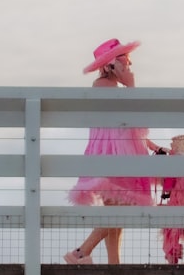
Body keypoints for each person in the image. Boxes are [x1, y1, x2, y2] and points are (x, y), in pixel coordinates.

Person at [64, 38, 166, 265]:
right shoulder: (102, 86)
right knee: (118, 209)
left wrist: (152, 146)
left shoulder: (113, 87)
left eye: (128, 60)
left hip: (120, 149)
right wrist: (130, 86)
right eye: (122, 61)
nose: (127, 65)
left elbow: (130, 126)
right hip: (111, 151)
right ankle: (80, 253)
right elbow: (126, 119)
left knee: (115, 211)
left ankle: (113, 264)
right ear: (109, 65)